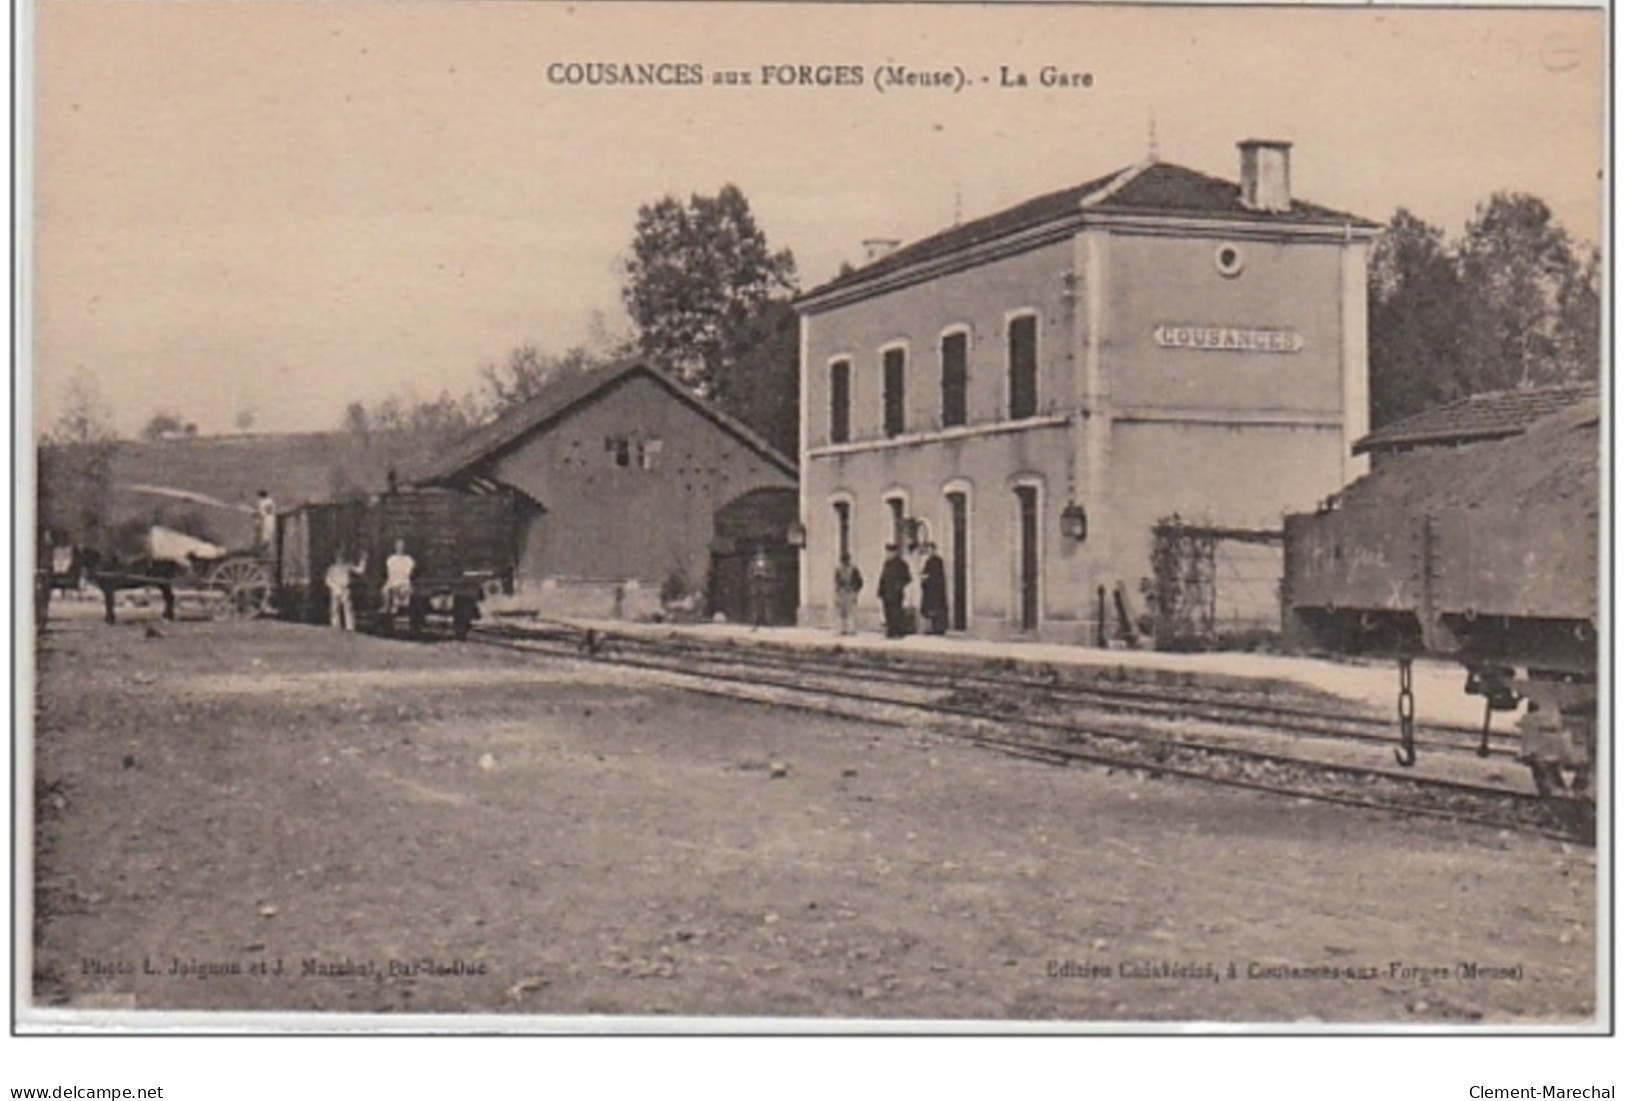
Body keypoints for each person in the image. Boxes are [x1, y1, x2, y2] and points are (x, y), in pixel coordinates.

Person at [878, 544, 912, 639]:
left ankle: (898, 632)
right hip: (886, 593)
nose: (888, 554)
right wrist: (880, 591)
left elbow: (908, 578)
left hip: (896, 593)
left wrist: (899, 586)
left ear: (895, 552)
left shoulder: (901, 564)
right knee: (888, 612)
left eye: (890, 552)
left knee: (896, 613)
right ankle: (890, 631)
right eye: (887, 552)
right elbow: (883, 578)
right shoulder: (887, 564)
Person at [325, 550, 363, 631]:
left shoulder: (347, 566)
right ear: (336, 559)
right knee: (334, 608)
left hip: (344, 589)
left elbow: (359, 570)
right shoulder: (332, 568)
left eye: (342, 558)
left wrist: (363, 561)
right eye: (339, 558)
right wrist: (333, 587)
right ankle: (335, 625)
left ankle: (350, 626)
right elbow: (328, 580)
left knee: (348, 608)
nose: (340, 560)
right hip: (335, 589)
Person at [920, 542, 948, 635]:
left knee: (936, 608)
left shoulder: (937, 561)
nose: (930, 552)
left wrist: (927, 577)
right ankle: (932, 627)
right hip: (930, 589)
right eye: (928, 550)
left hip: (935, 589)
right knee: (930, 609)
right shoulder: (929, 561)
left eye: (931, 550)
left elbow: (936, 575)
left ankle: (938, 628)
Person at [833, 552, 864, 636]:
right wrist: (838, 591)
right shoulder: (838, 569)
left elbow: (859, 581)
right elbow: (837, 581)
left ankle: (851, 629)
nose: (844, 563)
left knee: (851, 611)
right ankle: (842, 629)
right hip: (842, 592)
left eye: (845, 561)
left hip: (850, 592)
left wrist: (855, 590)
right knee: (842, 611)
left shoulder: (853, 569)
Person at [383, 539, 416, 616]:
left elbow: (407, 574)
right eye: (398, 546)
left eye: (401, 546)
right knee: (385, 590)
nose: (400, 548)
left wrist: (400, 583)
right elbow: (390, 573)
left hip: (404, 582)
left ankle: (397, 607)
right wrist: (391, 583)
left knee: (401, 590)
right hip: (393, 581)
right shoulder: (391, 559)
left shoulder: (408, 560)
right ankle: (387, 607)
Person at [747, 546, 775, 629]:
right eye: (758, 553)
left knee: (767, 605)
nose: (760, 555)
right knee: (755, 605)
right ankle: (755, 621)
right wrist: (754, 575)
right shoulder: (752, 563)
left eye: (762, 553)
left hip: (765, 586)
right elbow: (748, 574)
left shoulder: (770, 563)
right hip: (755, 586)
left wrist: (765, 575)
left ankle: (769, 622)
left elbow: (773, 574)